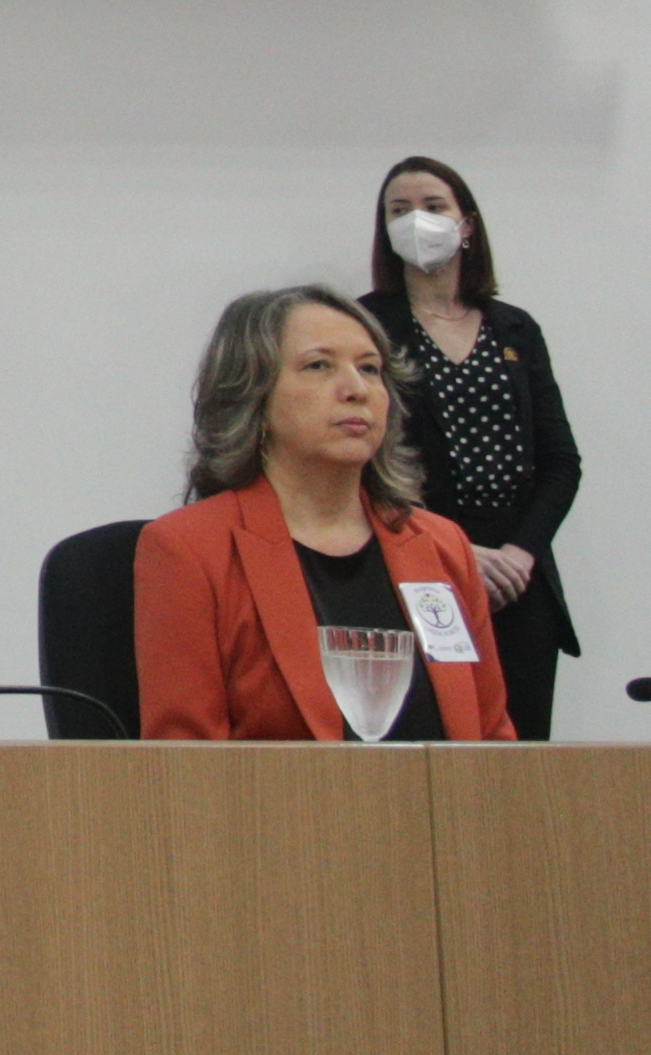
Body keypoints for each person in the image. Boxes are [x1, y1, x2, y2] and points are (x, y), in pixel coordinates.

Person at [135, 283, 514, 741]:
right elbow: (187, 763)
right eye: (319, 366)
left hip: (444, 809)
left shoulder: (441, 544)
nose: (356, 389)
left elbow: (493, 743)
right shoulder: (190, 549)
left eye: (370, 369)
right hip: (279, 812)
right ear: (253, 392)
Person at [357, 157, 585, 738]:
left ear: (467, 226)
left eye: (433, 207)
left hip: (518, 576)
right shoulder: (366, 326)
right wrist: (454, 552)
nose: (416, 221)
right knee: (439, 739)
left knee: (522, 744)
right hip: (420, 562)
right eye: (399, 211)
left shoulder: (514, 328)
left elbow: (562, 461)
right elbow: (361, 463)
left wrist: (521, 554)